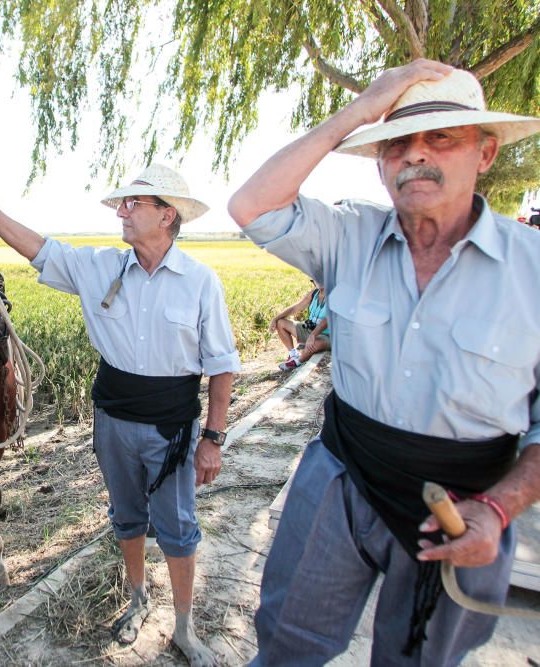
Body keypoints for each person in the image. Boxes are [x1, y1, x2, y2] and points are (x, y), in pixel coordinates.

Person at [227, 60, 540, 665]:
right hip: (341, 478)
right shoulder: (350, 235)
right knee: (286, 640)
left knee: (418, 658)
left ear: (486, 153)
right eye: (396, 143)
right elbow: (251, 206)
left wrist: (501, 507)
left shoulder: (532, 270)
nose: (414, 156)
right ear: (378, 162)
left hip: (465, 507)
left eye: (441, 138)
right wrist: (362, 109)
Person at [0, 163, 239, 666]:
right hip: (114, 424)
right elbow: (37, 248)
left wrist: (212, 437)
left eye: (133, 204)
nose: (122, 211)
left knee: (178, 526)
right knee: (126, 518)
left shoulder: (199, 282)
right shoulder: (100, 267)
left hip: (173, 430)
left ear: (167, 216)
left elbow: (222, 366)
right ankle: (138, 601)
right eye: (122, 203)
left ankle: (185, 629)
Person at [269, 280, 330, 371]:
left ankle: (297, 362)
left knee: (315, 343)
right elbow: (295, 308)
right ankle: (293, 354)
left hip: (326, 335)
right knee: (280, 322)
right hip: (309, 330)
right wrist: (275, 318)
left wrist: (313, 335)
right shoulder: (314, 293)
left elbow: (327, 320)